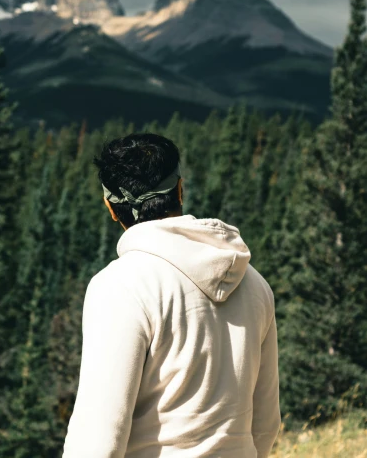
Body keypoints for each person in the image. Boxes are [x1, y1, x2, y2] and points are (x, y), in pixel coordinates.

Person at [63, 133, 281, 458]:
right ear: (179, 190)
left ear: (111, 207)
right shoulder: (253, 283)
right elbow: (266, 424)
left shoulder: (120, 287)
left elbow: (97, 441)